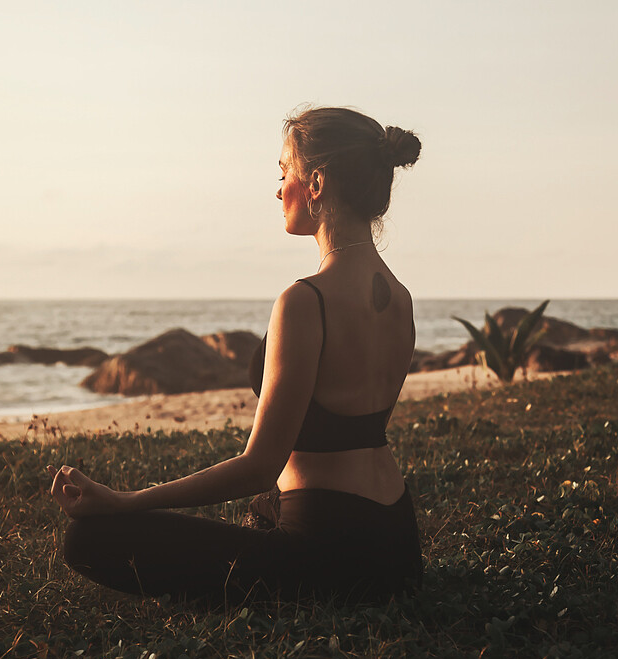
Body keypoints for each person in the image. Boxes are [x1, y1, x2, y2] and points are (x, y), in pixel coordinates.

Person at [50, 106, 424, 605]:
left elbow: (258, 466)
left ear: (315, 183)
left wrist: (125, 502)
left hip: (327, 551)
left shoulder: (305, 301)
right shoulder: (401, 300)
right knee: (258, 515)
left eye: (283, 172)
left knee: (88, 539)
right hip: (398, 547)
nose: (277, 189)